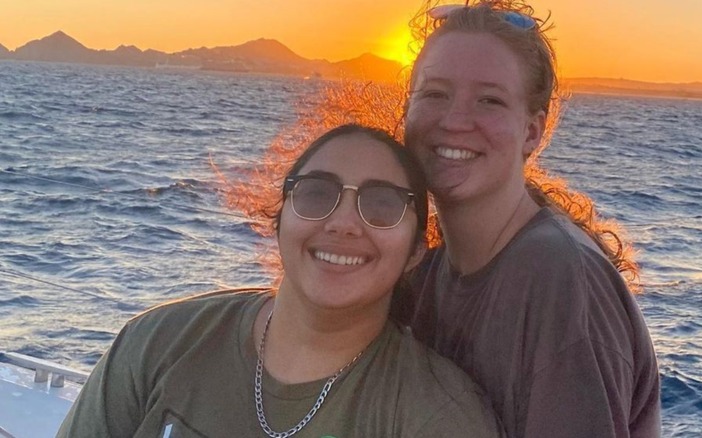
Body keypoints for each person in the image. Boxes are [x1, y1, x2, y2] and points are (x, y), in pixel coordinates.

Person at [57, 124, 504, 437]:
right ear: (279, 220)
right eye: (316, 193)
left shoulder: (435, 416)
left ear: (414, 252)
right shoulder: (158, 344)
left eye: (383, 204)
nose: (344, 222)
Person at [391, 1, 662, 437]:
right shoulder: (427, 276)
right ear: (408, 109)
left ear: (532, 132)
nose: (456, 120)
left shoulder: (557, 276)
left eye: (490, 100)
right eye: (435, 93)